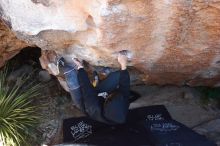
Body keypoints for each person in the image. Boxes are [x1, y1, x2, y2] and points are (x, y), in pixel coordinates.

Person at [47, 51, 130, 124]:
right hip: (100, 96)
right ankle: (98, 82)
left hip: (83, 100)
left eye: (109, 97)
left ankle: (60, 67)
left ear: (106, 101)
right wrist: (123, 64)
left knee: (71, 73)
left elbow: (86, 87)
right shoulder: (122, 103)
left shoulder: (93, 107)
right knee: (119, 75)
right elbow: (125, 85)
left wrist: (80, 68)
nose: (110, 94)